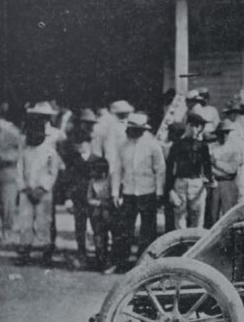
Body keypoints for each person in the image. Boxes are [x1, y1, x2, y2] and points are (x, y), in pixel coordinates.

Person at [110, 112, 165, 272]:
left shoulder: (152, 144)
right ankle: (121, 262)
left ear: (142, 129)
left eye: (135, 129)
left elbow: (160, 169)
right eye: (130, 128)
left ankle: (144, 264)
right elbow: (117, 170)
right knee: (125, 228)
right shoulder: (123, 144)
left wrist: (159, 192)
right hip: (129, 192)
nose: (131, 132)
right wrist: (115, 192)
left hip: (148, 191)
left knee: (147, 229)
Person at [16, 119, 61, 265]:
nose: (35, 135)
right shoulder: (24, 151)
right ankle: (25, 252)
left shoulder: (50, 152)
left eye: (39, 132)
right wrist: (26, 188)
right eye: (32, 132)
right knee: (25, 222)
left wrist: (43, 189)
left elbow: (53, 172)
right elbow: (19, 171)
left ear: (43, 133)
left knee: (44, 222)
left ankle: (45, 253)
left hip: (44, 193)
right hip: (26, 192)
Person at [166, 112, 213, 230]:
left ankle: (196, 247)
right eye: (191, 125)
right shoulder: (177, 145)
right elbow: (170, 168)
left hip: (196, 183)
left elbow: (207, 167)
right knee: (180, 219)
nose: (194, 129)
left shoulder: (202, 146)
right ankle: (182, 247)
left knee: (197, 220)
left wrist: (207, 180)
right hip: (180, 183)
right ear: (187, 126)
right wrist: (170, 189)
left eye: (197, 126)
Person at [0, 103, 23, 246]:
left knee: (7, 205)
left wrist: (2, 157)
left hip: (7, 174)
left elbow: (19, 152)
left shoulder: (12, 131)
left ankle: (7, 234)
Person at [63, 130, 97, 267]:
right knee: (80, 228)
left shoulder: (97, 160)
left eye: (82, 143)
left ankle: (99, 255)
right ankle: (81, 254)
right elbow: (68, 181)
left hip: (94, 200)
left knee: (96, 228)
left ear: (89, 143)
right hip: (79, 199)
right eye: (77, 144)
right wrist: (68, 198)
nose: (79, 146)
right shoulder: (72, 161)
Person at [209, 119, 242, 222]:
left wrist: (216, 163)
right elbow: (208, 168)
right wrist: (219, 170)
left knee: (229, 215)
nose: (224, 135)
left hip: (229, 184)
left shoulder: (235, 147)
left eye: (226, 132)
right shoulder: (211, 147)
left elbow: (232, 169)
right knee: (213, 215)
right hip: (215, 183)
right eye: (221, 133)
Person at [87, 156, 113, 271]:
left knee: (109, 236)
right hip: (96, 212)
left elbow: (114, 196)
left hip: (109, 211)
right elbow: (89, 198)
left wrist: (107, 203)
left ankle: (109, 259)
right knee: (98, 236)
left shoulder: (110, 180)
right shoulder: (92, 182)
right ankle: (100, 260)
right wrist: (98, 203)